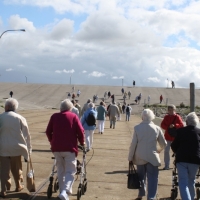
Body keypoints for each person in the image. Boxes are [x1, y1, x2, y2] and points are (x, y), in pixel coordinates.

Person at [46, 99, 85, 200]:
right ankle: (65, 191)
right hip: (69, 148)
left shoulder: (54, 116)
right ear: (70, 108)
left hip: (57, 148)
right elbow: (80, 131)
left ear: (61, 108)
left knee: (60, 170)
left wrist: (52, 141)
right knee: (70, 171)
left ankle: (63, 193)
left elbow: (48, 131)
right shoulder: (73, 116)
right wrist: (82, 142)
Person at [128, 109, 167, 200]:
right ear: (152, 117)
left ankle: (141, 194)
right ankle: (151, 197)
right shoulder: (157, 128)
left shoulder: (137, 128)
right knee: (153, 178)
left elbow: (133, 144)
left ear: (142, 116)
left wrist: (130, 157)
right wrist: (158, 150)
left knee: (141, 177)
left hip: (139, 155)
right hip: (152, 156)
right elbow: (164, 144)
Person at [0, 98, 32, 198]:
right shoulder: (20, 118)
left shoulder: (1, 117)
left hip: (3, 147)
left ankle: (4, 189)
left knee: (4, 170)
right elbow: (27, 135)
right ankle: (18, 185)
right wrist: (29, 150)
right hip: (17, 148)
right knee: (17, 168)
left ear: (7, 107)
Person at [171, 112, 200, 200]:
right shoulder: (199, 132)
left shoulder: (180, 131)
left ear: (186, 122)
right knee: (191, 181)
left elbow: (173, 145)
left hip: (182, 159)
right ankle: (191, 197)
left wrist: (176, 152)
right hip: (195, 160)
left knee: (183, 182)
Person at [161, 104, 184, 170]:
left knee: (177, 151)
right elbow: (162, 125)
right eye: (169, 110)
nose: (170, 111)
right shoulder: (166, 117)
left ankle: (178, 164)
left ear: (174, 110)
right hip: (168, 137)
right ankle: (166, 165)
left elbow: (181, 125)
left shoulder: (177, 117)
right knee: (166, 151)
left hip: (175, 137)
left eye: (172, 110)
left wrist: (175, 125)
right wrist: (168, 127)